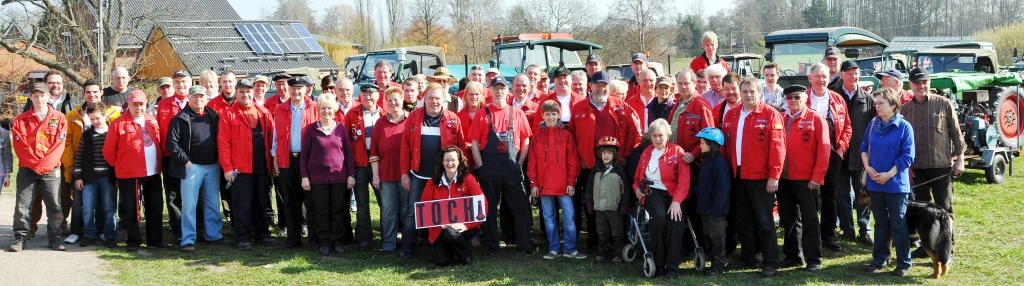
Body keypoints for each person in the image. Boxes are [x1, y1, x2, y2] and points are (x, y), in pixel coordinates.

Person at [721, 77, 785, 277]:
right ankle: (747, 258)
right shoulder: (731, 115)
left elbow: (778, 148)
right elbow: (726, 147)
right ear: (740, 93)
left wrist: (774, 176)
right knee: (743, 220)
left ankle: (770, 261)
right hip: (738, 176)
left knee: (765, 222)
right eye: (745, 91)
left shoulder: (770, 115)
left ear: (760, 93)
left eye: (752, 91)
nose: (748, 95)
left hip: (761, 178)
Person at [900, 67, 965, 257]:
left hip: (941, 167)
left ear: (929, 83)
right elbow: (902, 141)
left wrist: (960, 158)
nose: (921, 86)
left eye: (924, 82)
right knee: (922, 211)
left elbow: (956, 132)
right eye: (917, 83)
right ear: (910, 85)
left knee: (944, 210)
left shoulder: (943, 104)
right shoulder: (905, 109)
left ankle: (947, 250)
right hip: (917, 168)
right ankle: (926, 245)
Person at [399, 83, 465, 258]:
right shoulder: (413, 117)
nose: (434, 102)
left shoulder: (453, 118)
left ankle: (436, 245)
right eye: (431, 98)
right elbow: (405, 147)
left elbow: (460, 148)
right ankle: (408, 247)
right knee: (413, 212)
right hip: (418, 175)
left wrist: (461, 174)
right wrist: (404, 173)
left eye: (438, 98)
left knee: (441, 213)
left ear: (443, 99)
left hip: (443, 177)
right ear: (424, 99)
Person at [470, 75, 534, 255]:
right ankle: (492, 245)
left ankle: (524, 244)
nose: (499, 91)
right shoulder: (482, 114)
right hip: (489, 169)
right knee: (489, 208)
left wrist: (520, 163)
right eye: (495, 88)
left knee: (521, 206)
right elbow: (474, 144)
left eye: (502, 88)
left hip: (512, 168)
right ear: (489, 91)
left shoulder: (517, 113)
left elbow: (526, 141)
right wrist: (481, 167)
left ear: (508, 91)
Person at [103, 89, 168, 252]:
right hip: (129, 174)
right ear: (128, 104)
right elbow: (109, 151)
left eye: (141, 104)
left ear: (145, 104)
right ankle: (133, 240)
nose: (138, 107)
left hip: (152, 173)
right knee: (131, 209)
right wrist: (120, 166)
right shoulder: (118, 124)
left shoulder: (152, 121)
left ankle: (155, 240)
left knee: (155, 207)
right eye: (135, 104)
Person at [165, 85, 228, 253]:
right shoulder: (180, 118)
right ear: (189, 99)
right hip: (192, 168)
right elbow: (171, 144)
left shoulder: (213, 116)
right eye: (195, 97)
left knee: (213, 203)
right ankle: (188, 239)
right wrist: (186, 162)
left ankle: (214, 235)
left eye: (201, 96)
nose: (198, 99)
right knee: (189, 205)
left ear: (206, 98)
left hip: (213, 167)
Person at [217, 79, 277, 250]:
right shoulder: (228, 115)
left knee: (261, 200)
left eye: (248, 91)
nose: (245, 95)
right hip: (239, 167)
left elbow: (272, 140)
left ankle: (262, 234)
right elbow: (223, 144)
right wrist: (227, 168)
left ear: (253, 92)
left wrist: (272, 163)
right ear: (236, 94)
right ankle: (243, 237)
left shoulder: (264, 113)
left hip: (261, 165)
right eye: (241, 91)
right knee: (242, 203)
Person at [862, 87, 916, 277]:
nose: (877, 106)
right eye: (876, 103)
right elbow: (864, 147)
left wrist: (888, 175)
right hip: (875, 183)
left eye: (881, 103)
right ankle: (880, 259)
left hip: (895, 185)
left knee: (898, 224)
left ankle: (903, 262)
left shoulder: (904, 127)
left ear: (893, 105)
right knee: (880, 223)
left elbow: (908, 156)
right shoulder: (872, 125)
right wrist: (868, 168)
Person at [10, 83, 69, 252]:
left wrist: (44, 165)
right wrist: (35, 165)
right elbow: (20, 145)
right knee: (22, 205)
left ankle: (55, 238)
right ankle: (20, 237)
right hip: (27, 169)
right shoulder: (21, 119)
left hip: (51, 169)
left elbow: (59, 145)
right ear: (31, 98)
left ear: (48, 96)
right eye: (36, 96)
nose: (39, 98)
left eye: (42, 95)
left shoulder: (59, 118)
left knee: (55, 205)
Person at [777, 85, 829, 272]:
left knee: (809, 219)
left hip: (807, 179)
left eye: (797, 97)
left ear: (805, 98)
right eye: (789, 97)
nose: (793, 101)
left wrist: (817, 176)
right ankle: (793, 255)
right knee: (788, 219)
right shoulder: (781, 118)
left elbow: (824, 150)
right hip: (784, 178)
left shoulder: (815, 118)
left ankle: (814, 258)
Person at [632, 119, 692, 279]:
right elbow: (637, 177)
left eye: (661, 135)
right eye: (655, 136)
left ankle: (671, 267)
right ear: (650, 137)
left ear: (668, 136)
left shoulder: (677, 151)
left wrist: (677, 202)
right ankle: (659, 265)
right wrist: (637, 189)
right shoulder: (646, 152)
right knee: (658, 219)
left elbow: (684, 180)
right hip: (653, 192)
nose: (658, 139)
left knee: (675, 223)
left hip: (674, 193)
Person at [61, 79, 119, 244]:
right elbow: (69, 143)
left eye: (95, 91)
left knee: (107, 206)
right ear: (84, 93)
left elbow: (118, 151)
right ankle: (83, 232)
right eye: (88, 92)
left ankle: (106, 233)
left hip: (107, 174)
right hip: (86, 171)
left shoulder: (114, 116)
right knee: (83, 205)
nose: (92, 95)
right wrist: (72, 166)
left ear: (101, 92)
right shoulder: (73, 115)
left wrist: (118, 175)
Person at [299, 92, 356, 256]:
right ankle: (323, 241)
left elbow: (348, 153)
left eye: (329, 108)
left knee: (338, 210)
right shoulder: (311, 129)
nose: (326, 111)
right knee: (321, 211)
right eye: (323, 108)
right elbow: (304, 154)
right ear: (318, 109)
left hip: (339, 177)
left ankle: (338, 241)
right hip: (317, 178)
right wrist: (304, 176)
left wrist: (350, 174)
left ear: (335, 109)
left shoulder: (341, 128)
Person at [529, 100, 584, 260]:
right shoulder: (537, 137)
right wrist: (534, 184)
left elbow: (573, 161)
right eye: (547, 114)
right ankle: (553, 248)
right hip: (544, 184)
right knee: (549, 218)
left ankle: (570, 248)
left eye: (554, 114)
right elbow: (532, 162)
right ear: (542, 115)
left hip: (564, 185)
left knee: (569, 217)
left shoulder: (566, 135)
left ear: (559, 114)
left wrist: (571, 182)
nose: (551, 117)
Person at [26, 70, 77, 242]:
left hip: (63, 157)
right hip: (39, 157)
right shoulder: (33, 102)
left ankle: (60, 224)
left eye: (58, 82)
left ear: (63, 84)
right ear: (46, 85)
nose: (55, 85)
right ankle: (31, 226)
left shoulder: (70, 102)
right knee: (36, 194)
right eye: (51, 82)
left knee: (63, 194)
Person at [807, 63, 853, 252]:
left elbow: (848, 127)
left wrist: (841, 149)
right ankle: (810, 235)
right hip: (807, 155)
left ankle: (828, 235)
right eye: (817, 76)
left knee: (831, 197)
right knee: (809, 197)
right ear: (809, 78)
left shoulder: (837, 100)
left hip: (833, 154)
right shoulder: (802, 98)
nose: (821, 80)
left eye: (824, 76)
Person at [272, 77, 320, 249]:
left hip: (309, 161)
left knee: (311, 201)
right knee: (290, 201)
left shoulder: (314, 108)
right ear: (288, 89)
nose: (296, 91)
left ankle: (314, 239)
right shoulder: (280, 109)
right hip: (287, 160)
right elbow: (276, 136)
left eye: (299, 88)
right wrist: (274, 157)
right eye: (293, 88)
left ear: (306, 89)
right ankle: (293, 239)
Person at [423, 146, 485, 266]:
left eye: (453, 160)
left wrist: (467, 225)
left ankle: (465, 256)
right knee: (440, 261)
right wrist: (438, 223)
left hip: (465, 227)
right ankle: (451, 250)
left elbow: (483, 205)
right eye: (446, 160)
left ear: (459, 161)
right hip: (440, 229)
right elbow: (424, 210)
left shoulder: (469, 180)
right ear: (442, 161)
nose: (450, 163)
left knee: (451, 233)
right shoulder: (432, 183)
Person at [836, 60, 876, 246]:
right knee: (842, 193)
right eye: (849, 73)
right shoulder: (834, 96)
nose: (854, 77)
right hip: (840, 154)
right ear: (842, 74)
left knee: (862, 192)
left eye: (856, 73)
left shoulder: (868, 100)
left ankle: (865, 230)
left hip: (861, 155)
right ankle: (847, 229)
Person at [346, 83, 386, 251]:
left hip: (381, 164)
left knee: (385, 203)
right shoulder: (352, 114)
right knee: (362, 205)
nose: (368, 98)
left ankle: (387, 237)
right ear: (360, 96)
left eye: (371, 94)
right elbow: (346, 143)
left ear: (378, 96)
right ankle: (364, 239)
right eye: (364, 94)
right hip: (360, 164)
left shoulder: (385, 113)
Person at [72, 101, 117, 248]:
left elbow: (118, 155)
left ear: (105, 116)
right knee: (87, 207)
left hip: (108, 177)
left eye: (97, 118)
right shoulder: (87, 135)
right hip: (89, 177)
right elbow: (80, 156)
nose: (95, 122)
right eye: (91, 119)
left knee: (109, 207)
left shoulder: (112, 133)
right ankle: (89, 234)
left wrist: (117, 177)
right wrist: (78, 176)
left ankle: (110, 235)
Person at [370, 87, 409, 254]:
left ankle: (408, 243)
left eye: (396, 99)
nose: (393, 103)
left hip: (406, 175)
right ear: (385, 102)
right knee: (388, 212)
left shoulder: (411, 120)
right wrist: (376, 176)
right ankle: (388, 244)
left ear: (402, 100)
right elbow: (374, 152)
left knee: (407, 211)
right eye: (390, 100)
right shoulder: (380, 123)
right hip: (386, 175)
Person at [156, 69, 193, 240]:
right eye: (177, 82)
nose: (180, 85)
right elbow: (159, 131)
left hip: (193, 157)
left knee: (193, 193)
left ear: (190, 82)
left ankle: (196, 227)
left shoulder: (196, 101)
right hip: (169, 156)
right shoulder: (164, 104)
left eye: (184, 81)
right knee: (173, 193)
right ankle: (177, 228)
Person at [583, 136, 630, 263]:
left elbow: (625, 188)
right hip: (599, 208)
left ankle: (617, 253)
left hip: (614, 208)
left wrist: (625, 203)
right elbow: (589, 187)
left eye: (609, 152)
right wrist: (588, 202)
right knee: (601, 232)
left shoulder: (619, 170)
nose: (606, 155)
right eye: (604, 152)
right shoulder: (595, 170)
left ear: (614, 154)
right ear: (600, 154)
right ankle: (602, 252)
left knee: (617, 232)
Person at [694, 127, 730, 276]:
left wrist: (717, 208)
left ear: (712, 144)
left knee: (717, 237)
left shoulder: (719, 164)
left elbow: (722, 189)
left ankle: (718, 265)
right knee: (707, 235)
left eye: (702, 143)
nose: (700, 145)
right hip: (705, 208)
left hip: (715, 210)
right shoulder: (706, 160)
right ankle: (712, 261)